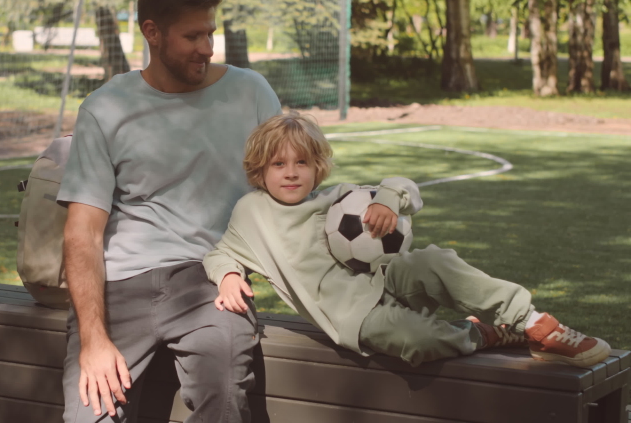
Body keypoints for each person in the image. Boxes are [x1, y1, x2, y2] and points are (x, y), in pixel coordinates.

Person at [203, 113, 611, 368]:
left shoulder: (337, 197)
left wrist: (387, 200)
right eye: (279, 164)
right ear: (260, 170)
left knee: (436, 261)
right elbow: (220, 253)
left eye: (302, 163)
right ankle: (483, 334)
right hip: (353, 318)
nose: (291, 173)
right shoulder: (251, 214)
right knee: (420, 341)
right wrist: (227, 276)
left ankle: (533, 322)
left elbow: (404, 187)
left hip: (385, 278)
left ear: (317, 168)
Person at [56, 0, 282, 423]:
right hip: (120, 287)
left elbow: (294, 187)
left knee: (224, 398)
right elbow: (82, 233)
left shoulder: (251, 92)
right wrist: (94, 340)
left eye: (210, 34)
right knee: (87, 416)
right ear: (152, 32)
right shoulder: (105, 109)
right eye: (192, 36)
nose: (206, 48)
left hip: (211, 283)